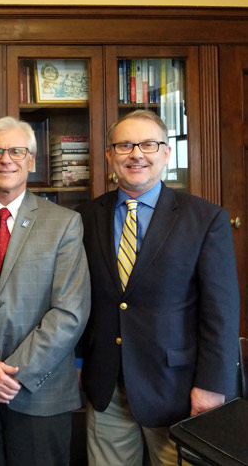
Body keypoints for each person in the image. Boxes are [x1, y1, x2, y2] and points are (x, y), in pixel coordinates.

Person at [77, 109, 240, 466]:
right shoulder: (85, 217)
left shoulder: (205, 219)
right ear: (110, 155)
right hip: (107, 389)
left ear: (167, 153)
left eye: (149, 144)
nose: (137, 154)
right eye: (124, 145)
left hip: (178, 392)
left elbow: (221, 313)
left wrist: (213, 386)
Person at [0, 116, 91, 466]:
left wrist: (14, 374)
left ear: (32, 160)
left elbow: (70, 312)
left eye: (16, 151)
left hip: (40, 393)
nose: (6, 159)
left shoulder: (64, 223)